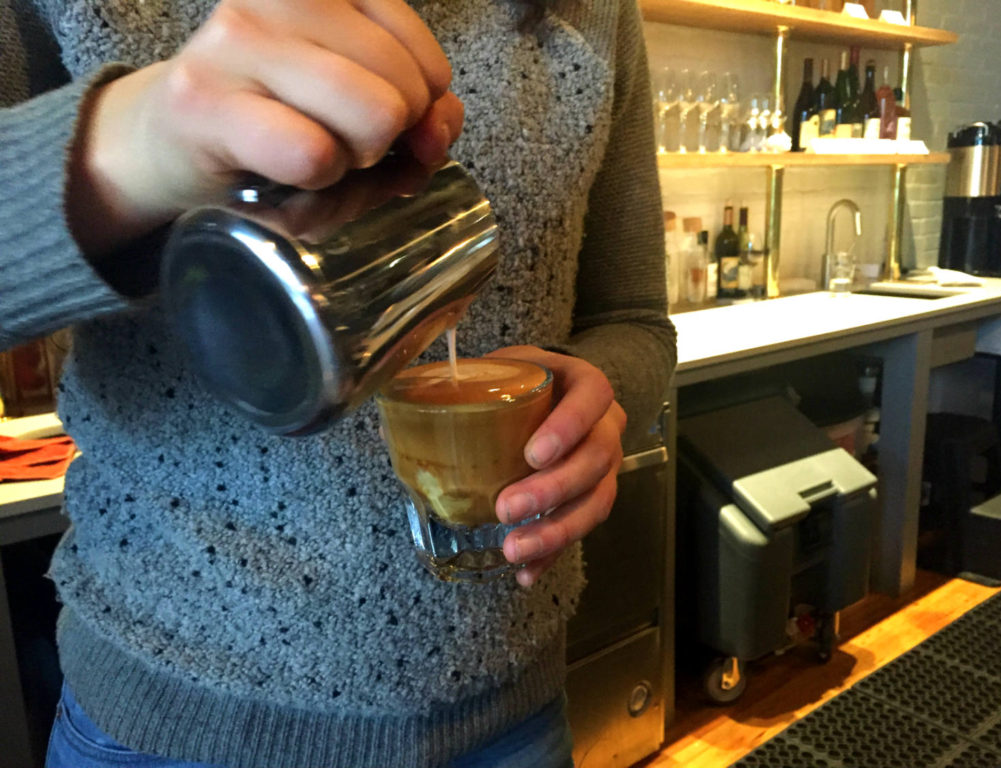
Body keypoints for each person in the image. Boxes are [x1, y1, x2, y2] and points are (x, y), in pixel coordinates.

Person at [0, 0, 677, 766]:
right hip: (173, 729)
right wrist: (136, 142)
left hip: (512, 715)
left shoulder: (596, 12)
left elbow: (635, 320)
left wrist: (596, 397)